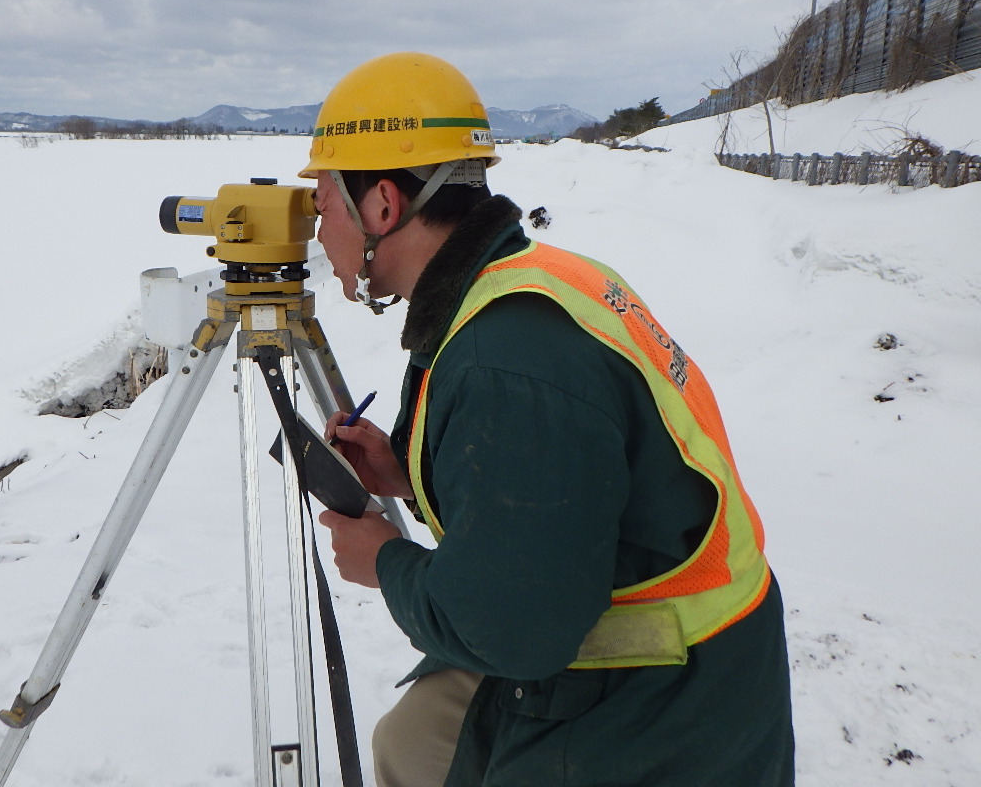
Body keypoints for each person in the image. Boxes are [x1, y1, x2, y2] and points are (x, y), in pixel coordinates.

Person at [305, 52, 794, 786]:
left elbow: (512, 631)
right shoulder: (530, 283)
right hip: (636, 648)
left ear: (381, 205)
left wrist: (384, 561)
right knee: (409, 744)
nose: (317, 236)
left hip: (666, 704)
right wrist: (411, 474)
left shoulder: (506, 362)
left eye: (323, 206)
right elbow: (567, 477)